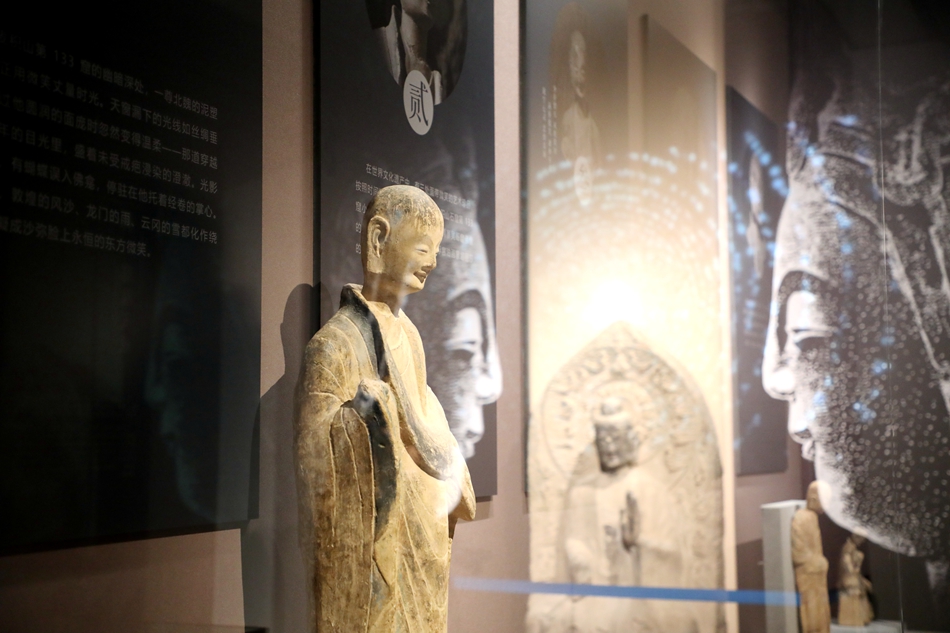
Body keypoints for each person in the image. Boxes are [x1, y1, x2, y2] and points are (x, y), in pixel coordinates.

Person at [294, 185, 475, 633]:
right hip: (380, 537)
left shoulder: (409, 335)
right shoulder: (332, 345)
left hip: (422, 530)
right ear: (379, 239)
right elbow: (315, 459)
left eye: (436, 251)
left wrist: (440, 458)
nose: (433, 262)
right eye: (423, 248)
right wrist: (365, 416)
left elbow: (424, 416)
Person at [791, 482, 831, 633]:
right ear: (814, 499)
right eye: (825, 501)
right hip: (809, 576)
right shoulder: (801, 518)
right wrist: (818, 562)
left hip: (817, 576)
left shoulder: (812, 517)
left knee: (821, 614)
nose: (827, 506)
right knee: (813, 617)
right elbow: (798, 553)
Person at [838, 534, 873, 627]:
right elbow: (846, 562)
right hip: (849, 578)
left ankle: (861, 618)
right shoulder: (848, 547)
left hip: (854, 576)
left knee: (864, 588)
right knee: (857, 590)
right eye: (861, 540)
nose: (861, 542)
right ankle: (853, 618)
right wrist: (853, 569)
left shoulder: (851, 547)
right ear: (856, 537)